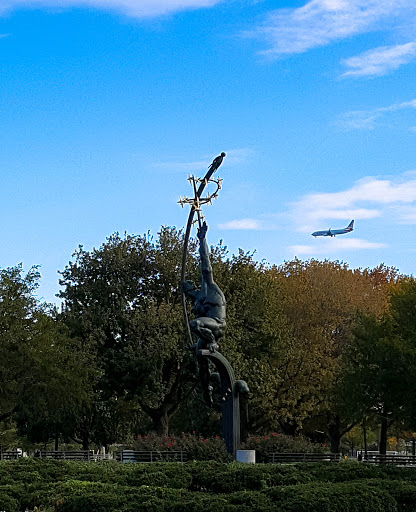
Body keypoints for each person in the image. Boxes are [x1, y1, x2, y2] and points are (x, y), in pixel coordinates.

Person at [183, 221, 226, 405]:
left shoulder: (208, 287)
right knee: (201, 362)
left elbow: (205, 263)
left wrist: (202, 240)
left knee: (195, 324)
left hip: (217, 326)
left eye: (189, 289)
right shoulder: (197, 298)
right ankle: (207, 389)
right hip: (207, 329)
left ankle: (213, 344)